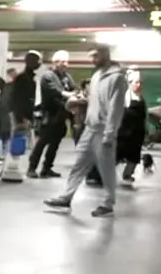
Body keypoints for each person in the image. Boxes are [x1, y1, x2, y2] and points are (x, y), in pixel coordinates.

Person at [42, 44, 127, 218]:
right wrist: (77, 105)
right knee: (79, 164)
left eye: (95, 56)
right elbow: (93, 101)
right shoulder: (96, 76)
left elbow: (115, 108)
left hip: (104, 129)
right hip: (90, 127)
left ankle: (108, 203)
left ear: (105, 55)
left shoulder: (117, 78)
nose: (93, 60)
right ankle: (66, 197)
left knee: (106, 168)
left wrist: (110, 134)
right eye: (91, 56)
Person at [28, 50, 77, 178]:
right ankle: (31, 168)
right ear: (55, 62)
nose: (66, 64)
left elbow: (73, 88)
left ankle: (47, 168)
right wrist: (67, 94)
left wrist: (75, 95)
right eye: (63, 61)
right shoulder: (47, 76)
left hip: (61, 115)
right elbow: (55, 90)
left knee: (55, 144)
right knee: (41, 143)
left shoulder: (66, 76)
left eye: (67, 61)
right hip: (49, 116)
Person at [117, 71, 148, 184]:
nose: (138, 85)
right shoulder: (125, 96)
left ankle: (128, 174)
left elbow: (144, 115)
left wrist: (145, 129)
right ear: (130, 83)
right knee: (118, 153)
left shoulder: (141, 97)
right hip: (125, 130)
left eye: (140, 83)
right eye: (136, 82)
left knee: (134, 155)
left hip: (138, 131)